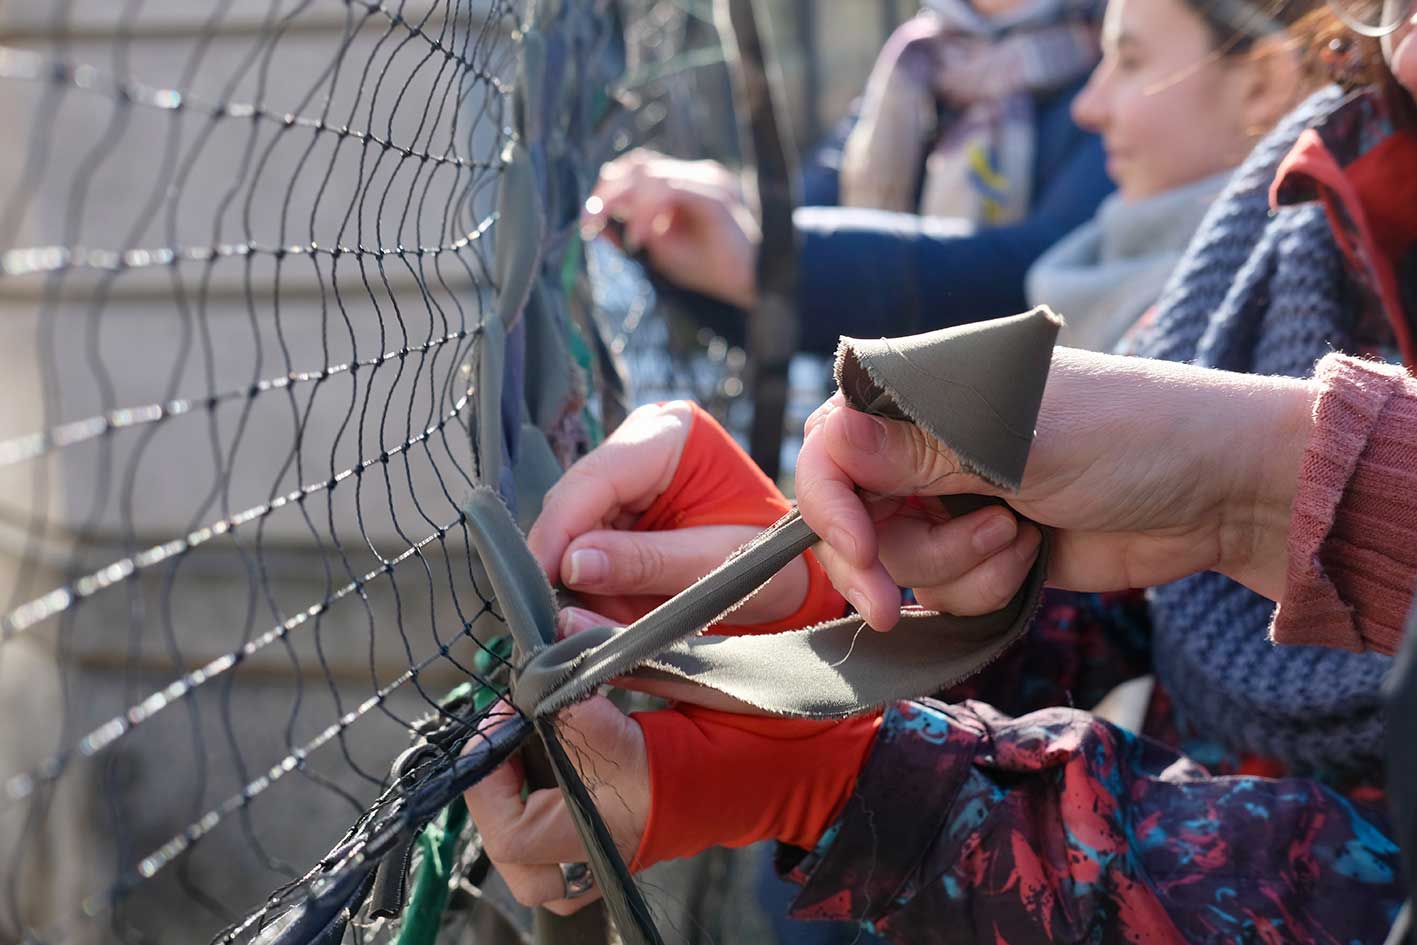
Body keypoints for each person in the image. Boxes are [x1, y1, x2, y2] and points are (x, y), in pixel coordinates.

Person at [467, 2, 1417, 940]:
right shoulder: (1297, 219)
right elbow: (1112, 597)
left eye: (1128, 60)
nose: (1090, 106)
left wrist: (858, 781)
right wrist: (832, 609)